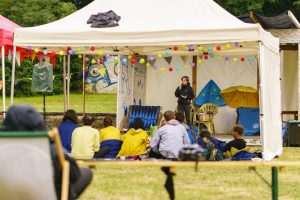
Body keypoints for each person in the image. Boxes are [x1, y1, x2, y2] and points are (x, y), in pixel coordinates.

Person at [1, 104, 92, 200]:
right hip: (48, 195)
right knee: (85, 173)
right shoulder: (52, 151)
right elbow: (75, 175)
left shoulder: (3, 149)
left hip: (8, 193)